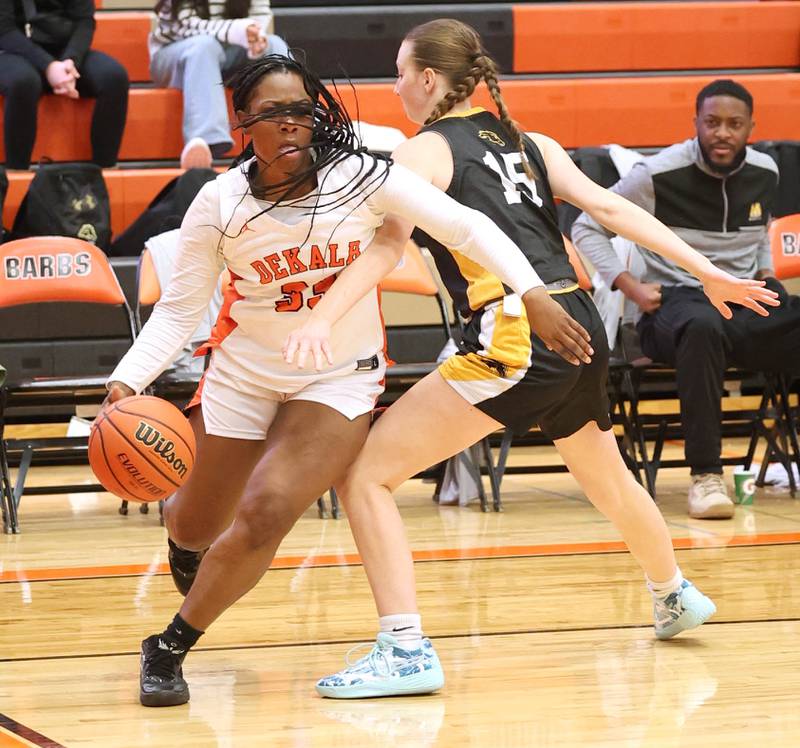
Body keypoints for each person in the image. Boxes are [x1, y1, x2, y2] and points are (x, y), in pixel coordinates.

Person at [281, 19, 779, 698]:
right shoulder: (530, 141)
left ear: (429, 80)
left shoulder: (426, 151)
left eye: (401, 72)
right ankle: (673, 592)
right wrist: (705, 270)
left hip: (515, 333)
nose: (396, 86)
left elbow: (386, 249)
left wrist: (320, 314)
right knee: (604, 473)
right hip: (577, 320)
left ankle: (402, 649)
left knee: (365, 476)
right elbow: (609, 206)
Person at [102, 54, 595, 707]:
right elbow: (180, 310)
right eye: (274, 113)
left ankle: (168, 647)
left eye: (301, 111)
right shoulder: (219, 203)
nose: (291, 125)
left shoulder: (359, 177)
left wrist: (529, 291)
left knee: (268, 510)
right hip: (244, 375)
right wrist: (126, 381)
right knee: (196, 525)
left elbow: (465, 225)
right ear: (242, 122)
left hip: (337, 379)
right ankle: (187, 535)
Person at [572, 79, 800, 519]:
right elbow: (585, 226)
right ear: (695, 122)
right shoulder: (657, 173)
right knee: (702, 326)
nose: (722, 133)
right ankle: (706, 477)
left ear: (751, 127)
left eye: (734, 124)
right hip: (676, 306)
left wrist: (767, 272)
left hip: (742, 300)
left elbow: (755, 234)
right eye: (712, 122)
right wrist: (629, 285)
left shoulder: (766, 171)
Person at [149, 0, 290, 169]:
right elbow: (186, 26)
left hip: (232, 51)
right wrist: (236, 30)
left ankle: (295, 122)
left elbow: (258, 16)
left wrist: (255, 40)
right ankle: (204, 140)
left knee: (275, 44)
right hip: (176, 52)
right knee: (204, 46)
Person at [0, 0, 129, 170]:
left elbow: (85, 21)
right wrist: (48, 65)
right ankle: (16, 173)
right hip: (13, 51)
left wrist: (71, 60)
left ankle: (104, 173)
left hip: (63, 51)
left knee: (114, 77)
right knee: (23, 82)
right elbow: (4, 30)